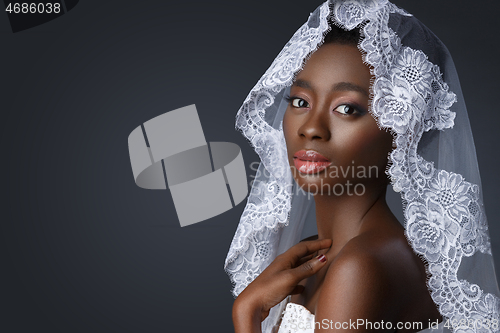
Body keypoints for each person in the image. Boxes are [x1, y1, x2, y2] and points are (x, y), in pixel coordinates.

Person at [225, 1, 500, 332]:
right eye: (300, 101)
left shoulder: (360, 265)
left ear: (401, 130)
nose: (310, 128)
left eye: (347, 109)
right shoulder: (326, 254)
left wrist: (246, 314)